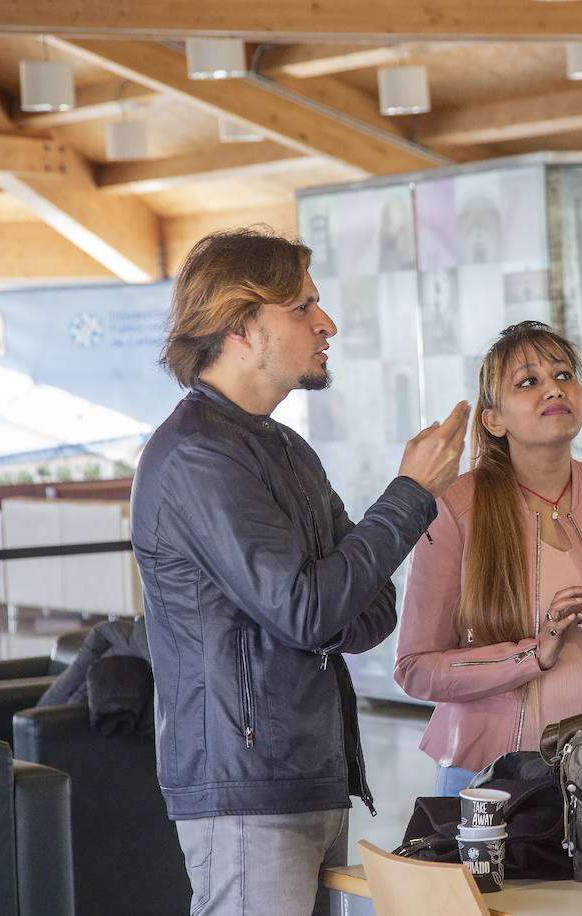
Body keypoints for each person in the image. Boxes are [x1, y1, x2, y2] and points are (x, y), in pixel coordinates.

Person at [130, 228, 469, 915]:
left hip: (307, 771)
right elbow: (312, 611)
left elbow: (367, 611)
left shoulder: (286, 449)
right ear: (239, 326)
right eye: (303, 307)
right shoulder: (197, 456)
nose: (327, 324)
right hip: (245, 787)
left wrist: (327, 597)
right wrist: (411, 494)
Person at [394, 320, 582, 795]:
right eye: (528, 382)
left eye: (564, 376)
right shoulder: (455, 507)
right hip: (490, 774)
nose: (553, 389)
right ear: (494, 420)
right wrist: (532, 652)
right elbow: (415, 668)